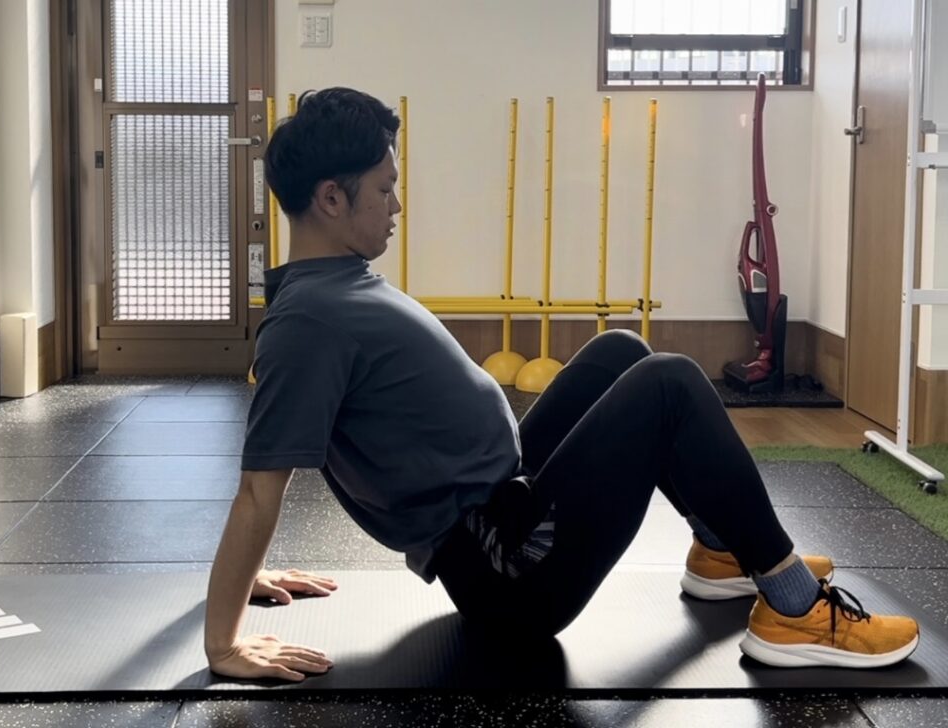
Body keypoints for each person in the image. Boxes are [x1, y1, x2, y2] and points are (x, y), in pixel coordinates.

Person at [203, 87, 919, 682]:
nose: (396, 207)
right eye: (385, 190)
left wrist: (251, 574)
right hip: (509, 569)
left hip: (506, 498)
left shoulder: (334, 285)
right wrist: (223, 641)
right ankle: (795, 611)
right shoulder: (309, 323)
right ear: (331, 198)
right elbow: (261, 487)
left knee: (619, 350)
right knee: (670, 384)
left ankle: (723, 548)